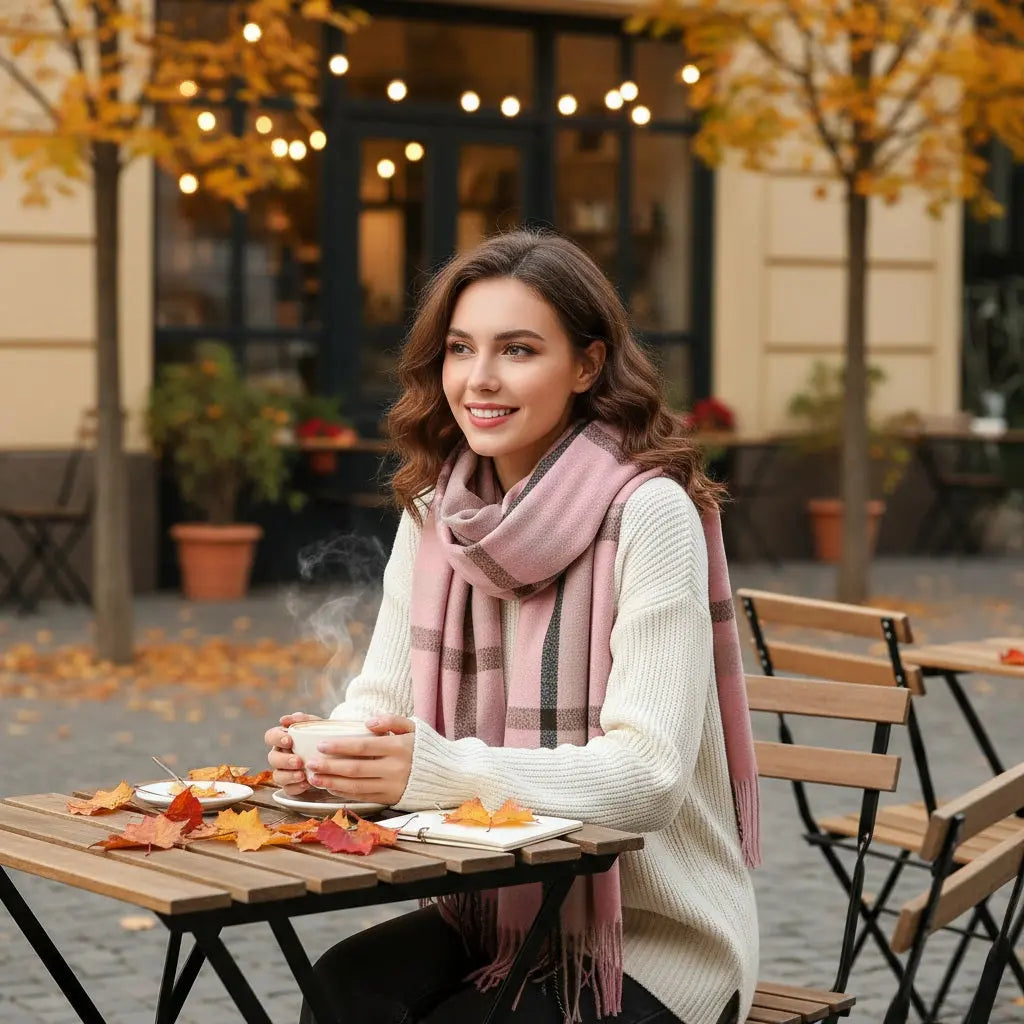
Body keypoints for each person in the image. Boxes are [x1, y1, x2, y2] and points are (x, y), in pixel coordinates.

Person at [264, 229, 760, 1024]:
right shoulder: (435, 512)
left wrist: (431, 769)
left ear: (588, 365)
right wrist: (339, 751)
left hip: (652, 935)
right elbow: (382, 699)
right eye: (461, 349)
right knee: (342, 990)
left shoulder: (650, 514)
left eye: (519, 350)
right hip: (488, 904)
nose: (479, 380)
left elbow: (649, 777)